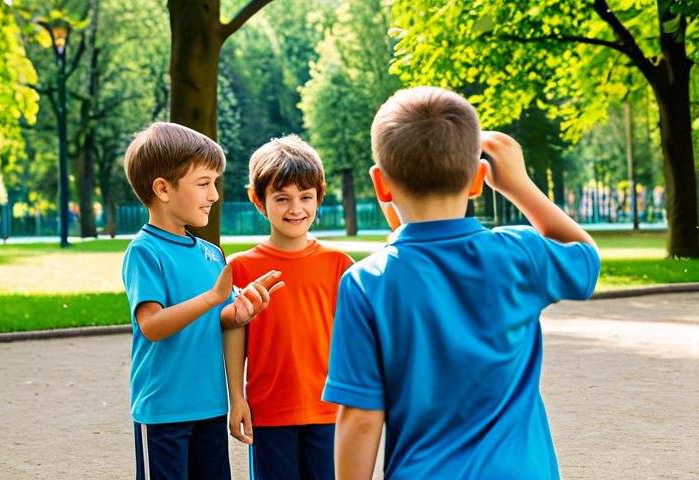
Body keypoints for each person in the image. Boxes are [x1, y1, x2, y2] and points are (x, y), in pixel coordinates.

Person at [323, 87, 600, 480]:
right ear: (478, 181)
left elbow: (361, 418)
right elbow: (585, 256)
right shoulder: (522, 254)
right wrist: (518, 183)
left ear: (380, 185)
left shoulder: (367, 282)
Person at [121, 122, 283, 480]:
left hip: (210, 407)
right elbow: (151, 326)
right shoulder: (144, 251)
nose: (214, 195)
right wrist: (213, 298)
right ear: (163, 189)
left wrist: (237, 312)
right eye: (203, 183)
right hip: (163, 411)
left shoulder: (211, 254)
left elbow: (216, 317)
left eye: (215, 183)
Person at [223, 135, 354, 480]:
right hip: (268, 411)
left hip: (330, 410)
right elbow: (234, 334)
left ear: (320, 196)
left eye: (305, 197)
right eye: (282, 198)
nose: (296, 209)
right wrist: (237, 397)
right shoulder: (240, 267)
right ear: (258, 200)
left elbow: (354, 341)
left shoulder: (340, 264)